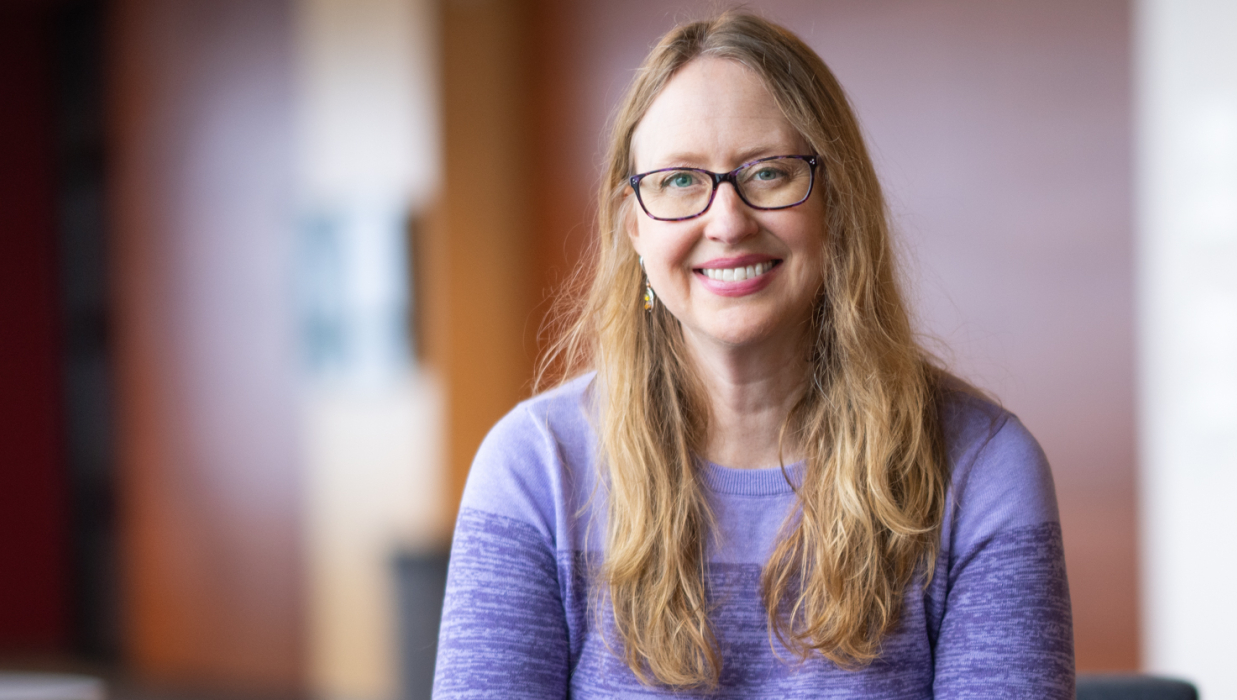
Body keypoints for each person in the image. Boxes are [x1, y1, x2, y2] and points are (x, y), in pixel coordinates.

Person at [432, 11, 1074, 699]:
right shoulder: (537, 469)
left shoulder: (981, 469)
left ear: (838, 200)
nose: (728, 222)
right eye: (679, 181)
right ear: (632, 227)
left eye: (767, 172)